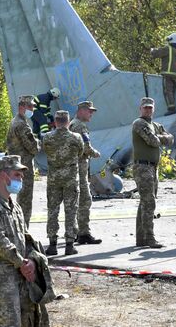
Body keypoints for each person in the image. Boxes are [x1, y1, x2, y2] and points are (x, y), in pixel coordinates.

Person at [0, 155, 55, 326]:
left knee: (30, 321)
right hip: (3, 279)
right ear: (4, 176)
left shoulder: (15, 206)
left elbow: (25, 238)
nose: (21, 178)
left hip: (22, 276)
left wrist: (32, 261)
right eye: (17, 175)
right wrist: (22, 263)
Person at [132, 97, 174, 248]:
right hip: (142, 167)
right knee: (149, 202)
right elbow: (153, 141)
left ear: (153, 109)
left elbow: (171, 139)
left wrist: (160, 137)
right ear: (140, 109)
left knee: (145, 201)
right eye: (145, 108)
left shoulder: (155, 125)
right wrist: (161, 138)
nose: (148, 110)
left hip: (152, 167)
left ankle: (141, 238)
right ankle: (150, 238)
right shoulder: (139, 123)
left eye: (150, 108)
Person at [42, 110, 83, 255]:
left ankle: (52, 244)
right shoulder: (76, 137)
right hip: (70, 179)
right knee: (70, 211)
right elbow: (80, 153)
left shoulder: (47, 137)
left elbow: (45, 151)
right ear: (68, 121)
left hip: (53, 179)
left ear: (55, 121)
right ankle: (69, 245)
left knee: (53, 211)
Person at [69, 101, 102, 245]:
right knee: (85, 200)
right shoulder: (80, 126)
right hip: (80, 168)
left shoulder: (72, 123)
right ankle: (84, 233)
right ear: (81, 111)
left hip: (75, 168)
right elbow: (86, 147)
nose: (91, 114)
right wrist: (96, 153)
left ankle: (75, 231)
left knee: (75, 201)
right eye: (89, 111)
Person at [6, 95, 40, 227]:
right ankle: (23, 230)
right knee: (25, 200)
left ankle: (20, 228)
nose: (32, 109)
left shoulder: (16, 121)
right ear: (22, 107)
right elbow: (34, 148)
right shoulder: (21, 125)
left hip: (16, 165)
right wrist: (39, 142)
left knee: (20, 198)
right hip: (23, 167)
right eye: (30, 106)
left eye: (33, 106)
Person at [151, 33, 176, 115]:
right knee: (172, 91)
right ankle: (172, 106)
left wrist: (152, 50)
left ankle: (171, 109)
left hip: (167, 74)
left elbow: (156, 53)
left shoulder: (167, 49)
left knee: (168, 91)